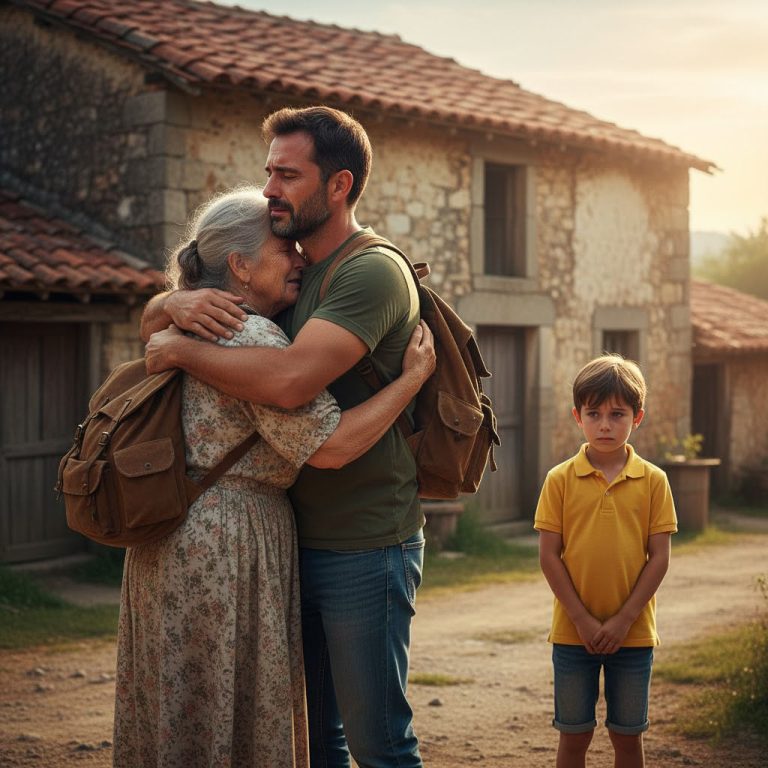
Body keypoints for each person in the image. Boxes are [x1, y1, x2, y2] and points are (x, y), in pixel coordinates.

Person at [141, 106, 426, 767]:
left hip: (363, 541)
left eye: (288, 175)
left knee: (379, 743)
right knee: (314, 743)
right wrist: (171, 306)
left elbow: (293, 379)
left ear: (339, 186)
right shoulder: (291, 276)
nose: (270, 188)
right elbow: (190, 309)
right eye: (269, 172)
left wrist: (178, 349)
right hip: (291, 540)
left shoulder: (369, 272)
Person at [534, 354, 678, 768]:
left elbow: (659, 558)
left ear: (638, 417)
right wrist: (581, 619)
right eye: (594, 413)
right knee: (574, 737)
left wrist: (622, 621)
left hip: (632, 635)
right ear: (576, 416)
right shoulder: (559, 479)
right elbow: (549, 556)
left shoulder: (654, 481)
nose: (605, 424)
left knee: (627, 738)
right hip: (571, 633)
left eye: (617, 414)